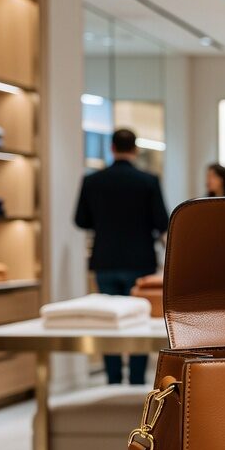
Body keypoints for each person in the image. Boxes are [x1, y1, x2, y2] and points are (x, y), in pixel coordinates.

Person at [74, 128, 171, 385]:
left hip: (105, 259)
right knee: (138, 320)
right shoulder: (148, 181)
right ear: (135, 149)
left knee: (108, 322)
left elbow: (80, 220)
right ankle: (137, 379)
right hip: (140, 260)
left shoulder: (93, 181)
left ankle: (113, 379)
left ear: (111, 149)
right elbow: (162, 221)